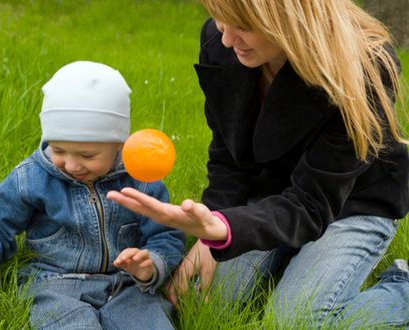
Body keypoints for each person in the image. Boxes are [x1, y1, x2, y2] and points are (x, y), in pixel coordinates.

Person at [107, 0, 409, 328]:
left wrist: (224, 229)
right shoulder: (221, 42)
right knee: (211, 303)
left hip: (349, 202)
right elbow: (228, 153)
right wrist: (213, 224)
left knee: (290, 322)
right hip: (272, 193)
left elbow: (312, 203)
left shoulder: (363, 66)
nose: (225, 38)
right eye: (220, 18)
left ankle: (400, 290)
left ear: (291, 18)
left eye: (243, 26)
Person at [0, 61, 185, 329]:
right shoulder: (32, 177)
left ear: (119, 143)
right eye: (58, 150)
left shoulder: (140, 180)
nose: (71, 165)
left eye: (87, 155)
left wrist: (151, 265)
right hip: (53, 284)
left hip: (127, 285)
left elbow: (167, 232)